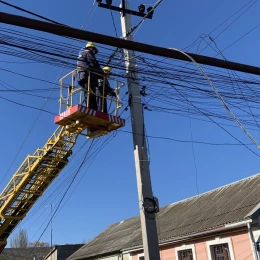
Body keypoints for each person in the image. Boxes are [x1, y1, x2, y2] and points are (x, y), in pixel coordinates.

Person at [77, 42, 103, 109]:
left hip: (81, 75)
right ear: (91, 48)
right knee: (91, 93)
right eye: (94, 50)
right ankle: (92, 108)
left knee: (87, 92)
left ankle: (89, 106)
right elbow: (93, 64)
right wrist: (101, 73)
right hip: (88, 75)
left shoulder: (81, 54)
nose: (94, 53)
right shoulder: (88, 53)